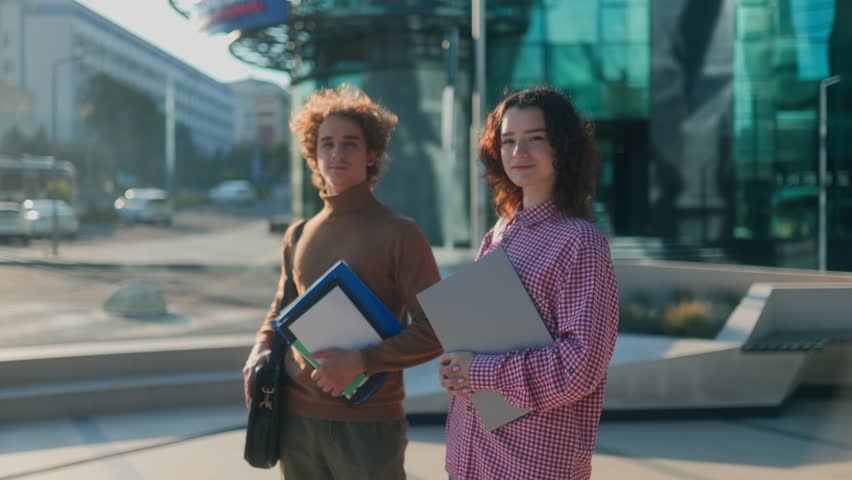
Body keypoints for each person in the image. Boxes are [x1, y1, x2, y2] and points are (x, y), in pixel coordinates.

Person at [243, 84, 443, 479]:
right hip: (295, 420)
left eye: (350, 144)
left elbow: (437, 330)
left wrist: (362, 361)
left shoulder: (400, 233)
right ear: (312, 155)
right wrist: (259, 347)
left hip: (368, 425)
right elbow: (281, 307)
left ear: (372, 155)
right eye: (327, 143)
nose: (336, 153)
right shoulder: (298, 233)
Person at [438, 86, 619, 480]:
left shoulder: (580, 241)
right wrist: (458, 367)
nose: (518, 153)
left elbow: (580, 366)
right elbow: (483, 342)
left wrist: (479, 370)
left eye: (535, 139)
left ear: (563, 147)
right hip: (471, 457)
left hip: (532, 465)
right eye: (508, 141)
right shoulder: (498, 234)